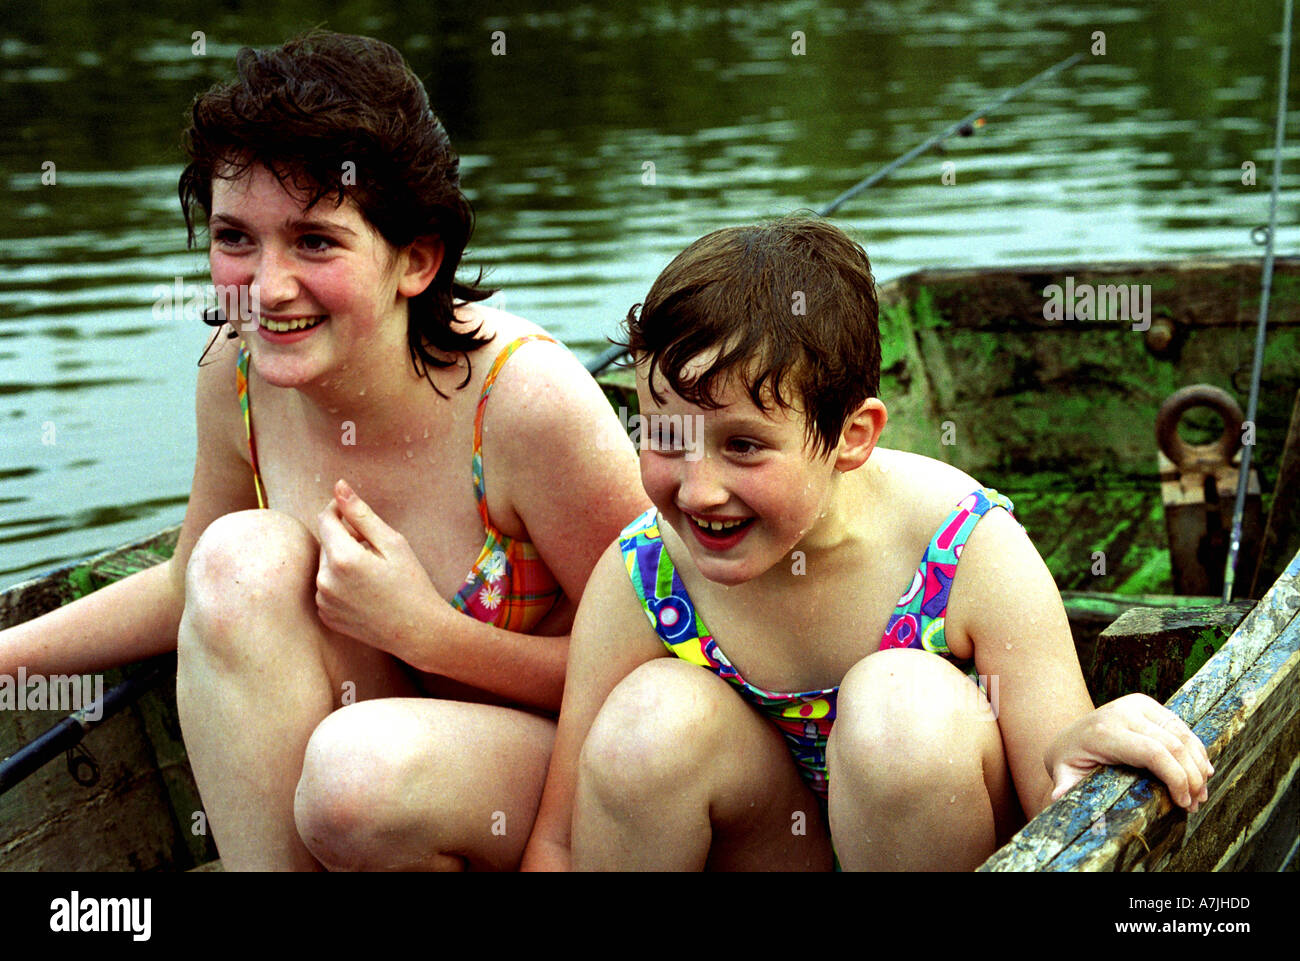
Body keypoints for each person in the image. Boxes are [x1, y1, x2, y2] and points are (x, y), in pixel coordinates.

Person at [0, 31, 648, 871]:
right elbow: (185, 583)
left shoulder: (525, 407)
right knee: (238, 558)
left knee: (355, 777)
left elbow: (660, 661)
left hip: (555, 784)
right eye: (236, 238)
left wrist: (426, 633)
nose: (267, 289)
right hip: (371, 761)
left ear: (415, 259)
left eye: (314, 241)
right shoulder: (237, 375)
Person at [521, 215, 1213, 871]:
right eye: (667, 437)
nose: (699, 491)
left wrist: (1085, 738)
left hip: (931, 827)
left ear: (853, 436)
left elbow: (1050, 783)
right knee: (647, 722)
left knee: (897, 704)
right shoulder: (645, 574)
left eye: (743, 445)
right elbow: (560, 839)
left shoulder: (965, 547)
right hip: (775, 847)